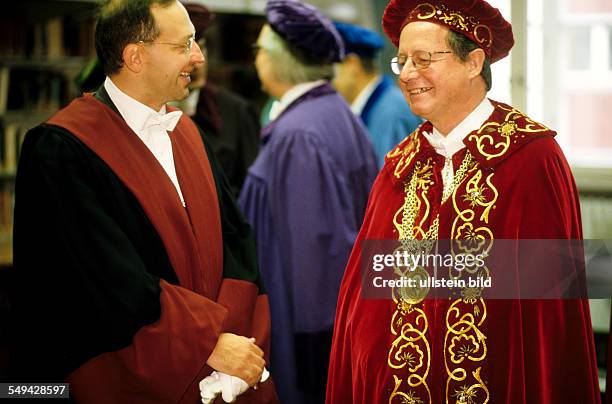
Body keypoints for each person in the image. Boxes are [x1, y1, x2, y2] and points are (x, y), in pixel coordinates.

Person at [327, 1, 600, 403]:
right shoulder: (398, 167)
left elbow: (555, 303)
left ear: (473, 62)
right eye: (401, 61)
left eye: (423, 59)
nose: (408, 75)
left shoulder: (531, 157)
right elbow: (366, 295)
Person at [9, 1, 277, 402]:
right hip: (131, 372)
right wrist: (207, 342)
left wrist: (230, 335)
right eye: (184, 44)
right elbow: (103, 277)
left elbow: (236, 240)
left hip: (222, 357)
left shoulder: (187, 133)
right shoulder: (61, 149)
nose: (198, 56)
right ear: (135, 56)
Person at [238, 1, 378, 403]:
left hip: (304, 335)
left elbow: (314, 251)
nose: (256, 58)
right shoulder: (334, 112)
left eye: (260, 50)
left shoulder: (299, 135)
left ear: (281, 61)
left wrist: (313, 354)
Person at [180, 2, 261, 196]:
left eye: (203, 48)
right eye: (184, 50)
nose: (199, 63)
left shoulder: (236, 112)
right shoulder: (144, 113)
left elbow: (252, 192)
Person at [333, 22, 422, 167]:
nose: (326, 76)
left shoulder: (390, 113)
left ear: (352, 64)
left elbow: (391, 184)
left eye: (331, 66)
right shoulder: (378, 107)